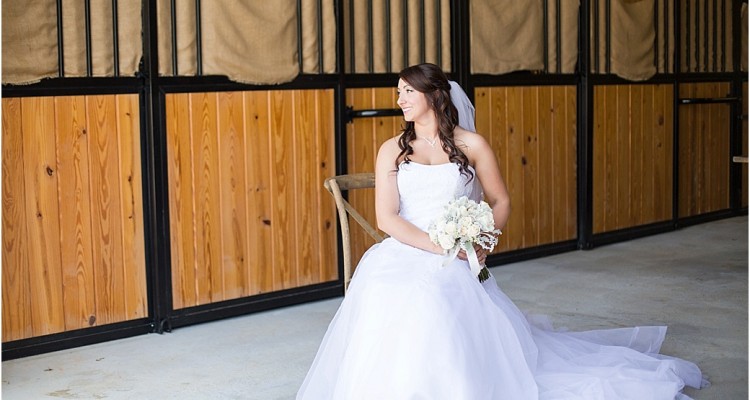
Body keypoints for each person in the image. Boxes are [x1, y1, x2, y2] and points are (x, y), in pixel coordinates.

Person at [297, 63, 707, 399]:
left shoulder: (472, 144)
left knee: (436, 294)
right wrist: (439, 247)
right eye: (398, 92)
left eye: (408, 91)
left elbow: (500, 201)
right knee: (393, 290)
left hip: (458, 254)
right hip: (407, 249)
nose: (399, 99)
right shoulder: (392, 149)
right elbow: (387, 218)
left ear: (434, 95)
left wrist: (480, 240)